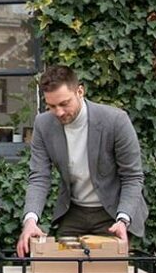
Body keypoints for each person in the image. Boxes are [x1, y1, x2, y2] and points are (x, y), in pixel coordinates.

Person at [16, 64, 148, 258]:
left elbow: (132, 176)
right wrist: (30, 221)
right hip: (73, 212)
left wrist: (123, 220)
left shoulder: (116, 121)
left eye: (64, 103)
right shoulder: (43, 125)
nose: (59, 112)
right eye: (51, 106)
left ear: (80, 91)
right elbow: (39, 177)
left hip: (113, 214)